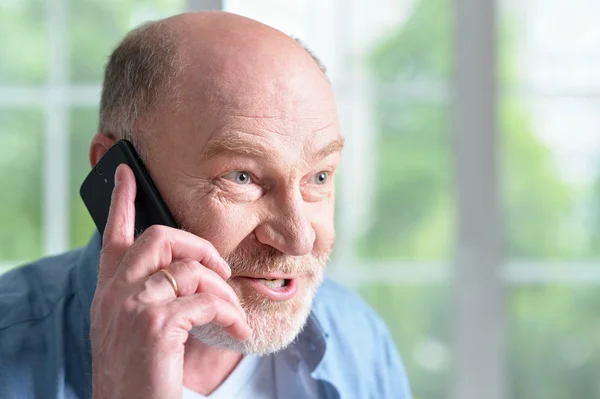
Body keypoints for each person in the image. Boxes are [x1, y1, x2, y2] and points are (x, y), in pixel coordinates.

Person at [0, 11, 411, 399]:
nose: (299, 238)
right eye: (242, 177)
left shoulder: (359, 335)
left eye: (319, 177)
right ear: (116, 177)